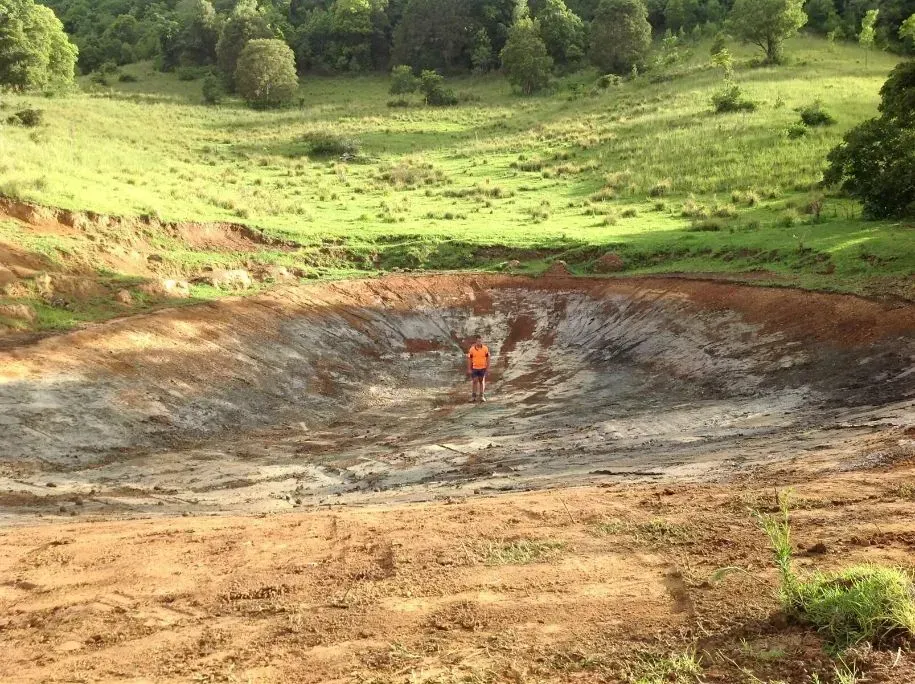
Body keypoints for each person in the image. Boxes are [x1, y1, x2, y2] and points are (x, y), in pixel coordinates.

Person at [466, 335, 490, 403]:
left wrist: (488, 368)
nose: (479, 342)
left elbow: (488, 358)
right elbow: (469, 359)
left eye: (480, 341)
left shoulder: (485, 349)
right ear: (476, 341)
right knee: (474, 381)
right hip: (474, 368)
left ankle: (482, 395)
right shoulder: (472, 349)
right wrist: (469, 369)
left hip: (483, 367)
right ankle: (473, 396)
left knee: (481, 381)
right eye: (478, 341)